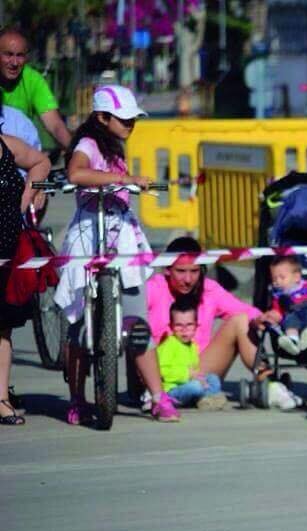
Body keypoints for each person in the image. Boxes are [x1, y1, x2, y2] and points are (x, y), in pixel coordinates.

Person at [53, 85, 179, 424]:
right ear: (102, 117)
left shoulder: (114, 145)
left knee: (137, 322)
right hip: (88, 234)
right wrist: (125, 178)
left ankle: (158, 397)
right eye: (124, 119)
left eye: (133, 119)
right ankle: (77, 399)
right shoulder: (87, 145)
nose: (130, 124)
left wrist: (135, 183)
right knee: (78, 324)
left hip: (121, 234)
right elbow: (76, 173)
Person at [146, 236, 281, 384]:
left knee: (241, 320)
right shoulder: (153, 287)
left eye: (194, 271)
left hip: (199, 370)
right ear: (167, 270)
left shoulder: (209, 289)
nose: (188, 279)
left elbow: (246, 311)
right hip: (163, 373)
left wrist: (263, 317)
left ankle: (270, 384)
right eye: (181, 271)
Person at [0, 130, 50, 425]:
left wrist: (26, 198)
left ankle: (2, 400)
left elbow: (41, 163)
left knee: (3, 329)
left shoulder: (6, 145)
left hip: (8, 248)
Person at [0, 28, 71, 150]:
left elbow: (55, 125)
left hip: (19, 152)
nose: (15, 62)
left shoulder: (33, 80)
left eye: (20, 55)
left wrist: (76, 153)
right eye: (8, 54)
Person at [157, 299, 228, 411]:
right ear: (171, 326)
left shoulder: (193, 346)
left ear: (196, 326)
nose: (184, 330)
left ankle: (207, 398)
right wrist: (188, 375)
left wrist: (199, 378)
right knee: (195, 386)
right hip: (171, 390)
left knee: (213, 378)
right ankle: (206, 397)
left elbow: (194, 370)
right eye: (179, 325)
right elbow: (161, 371)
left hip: (188, 383)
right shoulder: (168, 345)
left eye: (189, 325)